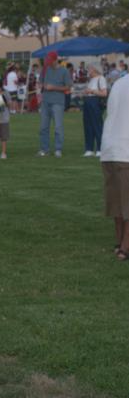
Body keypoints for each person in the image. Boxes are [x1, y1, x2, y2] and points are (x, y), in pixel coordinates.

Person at [99, 73, 129, 259]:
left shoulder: (118, 82)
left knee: (117, 202)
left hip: (109, 149)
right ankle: (126, 248)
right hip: (125, 149)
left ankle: (119, 243)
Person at [39, 50, 72, 156]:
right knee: (43, 127)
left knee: (58, 127)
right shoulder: (45, 69)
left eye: (50, 61)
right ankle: (45, 149)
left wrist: (54, 87)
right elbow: (40, 82)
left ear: (55, 60)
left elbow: (68, 87)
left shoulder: (64, 71)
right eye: (47, 60)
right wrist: (41, 86)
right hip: (45, 102)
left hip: (58, 102)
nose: (48, 63)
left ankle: (58, 149)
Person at [83, 66, 107, 156]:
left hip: (95, 102)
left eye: (89, 68)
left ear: (95, 69)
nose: (88, 70)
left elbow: (104, 93)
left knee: (97, 125)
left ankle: (100, 149)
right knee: (88, 125)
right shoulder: (92, 79)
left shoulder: (101, 78)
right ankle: (89, 149)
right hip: (88, 102)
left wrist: (91, 91)